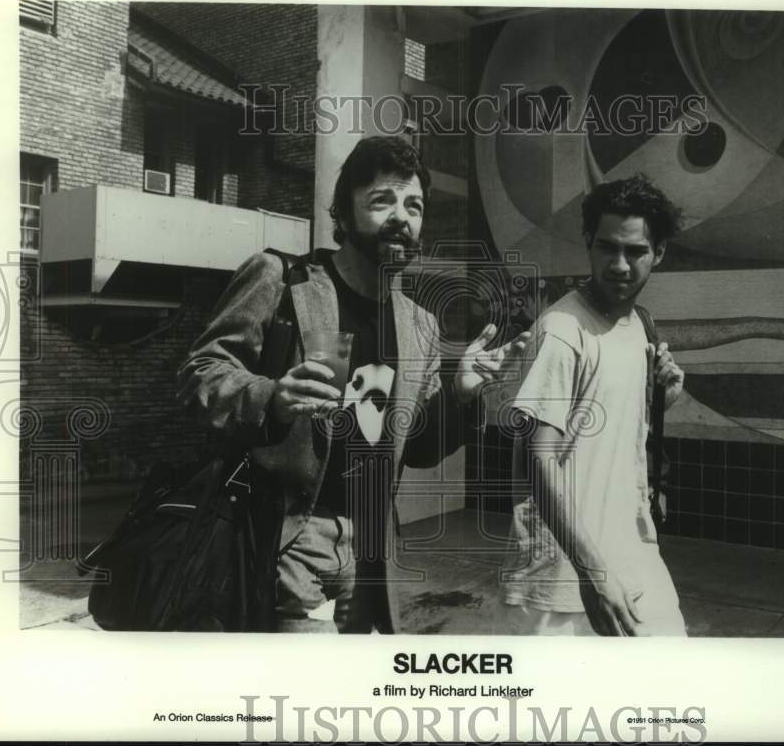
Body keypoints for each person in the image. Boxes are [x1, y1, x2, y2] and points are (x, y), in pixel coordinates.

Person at [178, 136, 529, 633]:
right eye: (382, 200)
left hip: (371, 556)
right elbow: (199, 375)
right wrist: (270, 398)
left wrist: (460, 394)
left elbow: (422, 447)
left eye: (414, 206)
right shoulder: (283, 280)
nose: (401, 218)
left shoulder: (419, 325)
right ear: (343, 213)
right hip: (289, 537)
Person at [494, 174, 687, 636]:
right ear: (588, 244)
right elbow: (539, 460)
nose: (619, 265)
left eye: (636, 251)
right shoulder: (562, 330)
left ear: (658, 253)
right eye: (607, 248)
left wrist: (665, 393)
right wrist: (594, 574)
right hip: (561, 577)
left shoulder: (641, 323)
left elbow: (616, 421)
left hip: (633, 553)